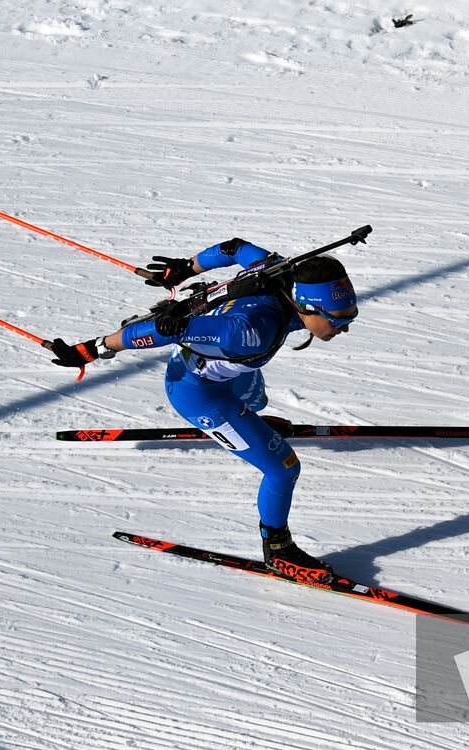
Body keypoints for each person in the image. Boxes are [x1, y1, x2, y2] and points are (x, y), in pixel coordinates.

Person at [47, 238, 359, 583]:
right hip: (198, 394)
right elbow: (166, 330)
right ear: (306, 305)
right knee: (284, 469)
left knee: (257, 400)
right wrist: (95, 348)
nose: (344, 326)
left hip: (233, 376)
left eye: (349, 315)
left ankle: (246, 424)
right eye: (337, 319)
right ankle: (277, 549)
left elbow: (237, 248)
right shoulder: (247, 333)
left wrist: (185, 267)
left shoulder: (284, 274)